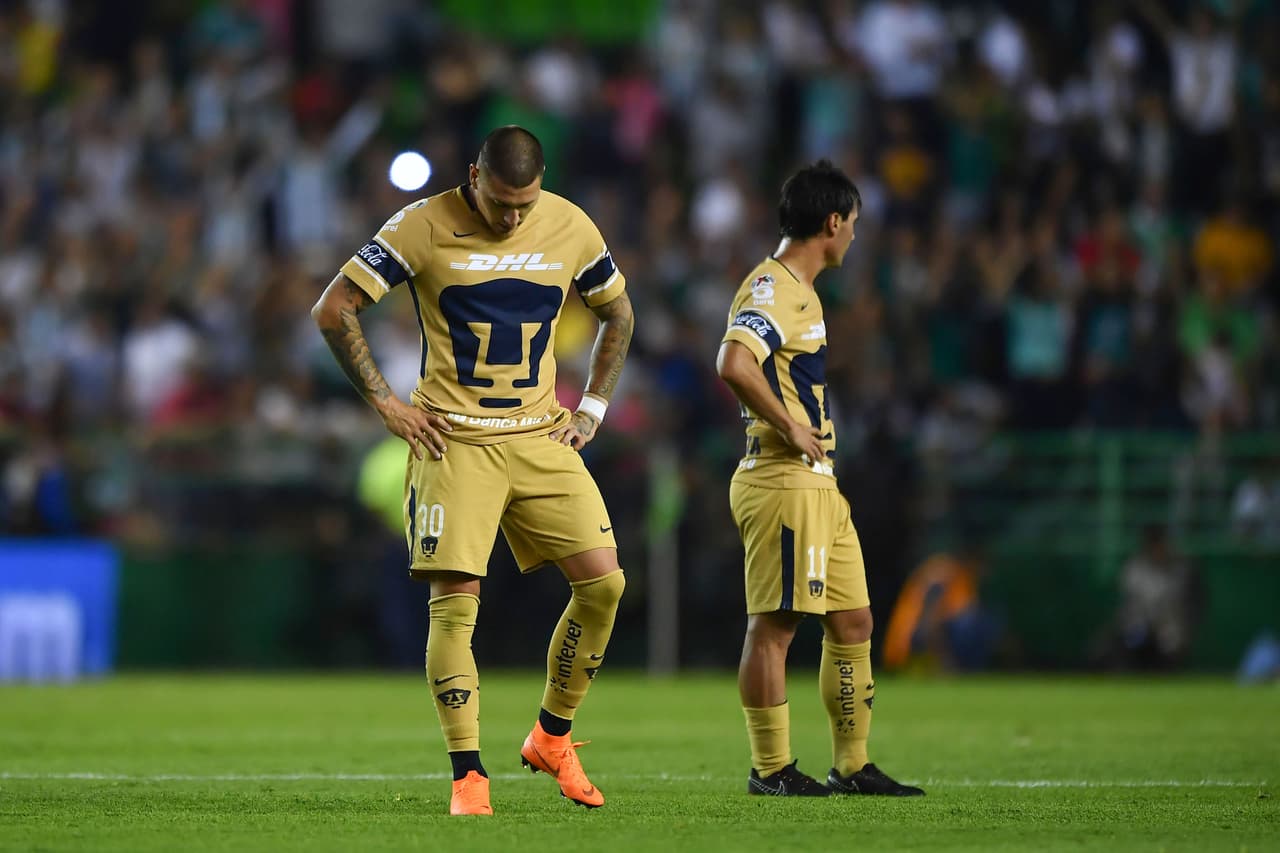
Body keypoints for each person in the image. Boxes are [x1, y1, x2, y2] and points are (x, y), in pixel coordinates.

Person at [311, 126, 634, 815]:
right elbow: (334, 308)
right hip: (452, 441)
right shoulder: (422, 225)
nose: (512, 218)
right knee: (456, 607)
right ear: (474, 177)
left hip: (541, 435)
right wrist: (387, 403)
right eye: (500, 203)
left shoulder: (571, 224)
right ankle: (468, 776)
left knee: (605, 585)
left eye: (525, 204)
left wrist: (593, 407)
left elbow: (618, 314)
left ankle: (551, 736)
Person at [716, 160, 923, 797]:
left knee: (854, 622)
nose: (855, 234)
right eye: (853, 222)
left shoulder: (800, 291)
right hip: (783, 479)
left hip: (817, 484)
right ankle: (770, 768)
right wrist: (789, 425)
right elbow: (733, 361)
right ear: (832, 222)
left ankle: (852, 765)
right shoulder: (774, 287)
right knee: (775, 628)